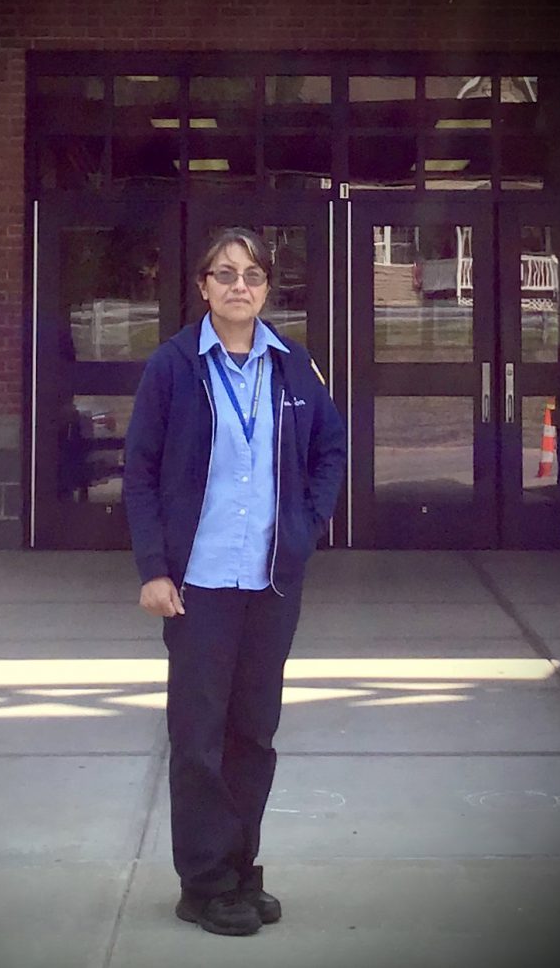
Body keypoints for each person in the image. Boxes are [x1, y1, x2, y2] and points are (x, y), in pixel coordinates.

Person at [123, 227, 346, 936]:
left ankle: (242, 870)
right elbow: (141, 475)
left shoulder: (292, 364)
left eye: (251, 275)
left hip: (270, 581)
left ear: (266, 288)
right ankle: (205, 881)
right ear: (202, 286)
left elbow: (330, 448)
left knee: (255, 730)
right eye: (225, 274)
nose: (239, 286)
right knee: (199, 735)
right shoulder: (173, 367)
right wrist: (154, 568)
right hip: (200, 583)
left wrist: (306, 526)